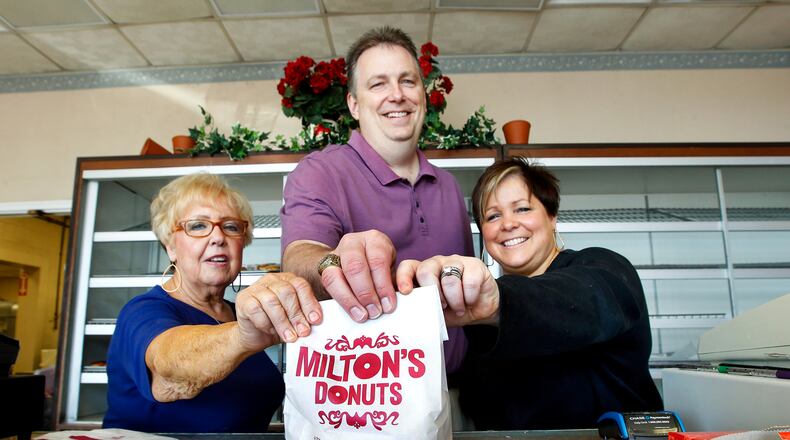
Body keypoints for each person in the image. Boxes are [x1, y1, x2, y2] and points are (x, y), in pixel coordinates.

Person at [397, 157, 663, 430]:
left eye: (522, 209)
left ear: (552, 216)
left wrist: (498, 301)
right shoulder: (481, 322)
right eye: (493, 216)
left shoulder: (603, 267)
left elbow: (587, 302)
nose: (508, 224)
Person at [280, 26, 473, 371]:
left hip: (457, 391)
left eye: (408, 81)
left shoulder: (448, 186)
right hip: (368, 398)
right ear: (354, 104)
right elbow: (298, 258)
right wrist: (336, 262)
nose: (396, 95)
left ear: (423, 95)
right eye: (378, 83)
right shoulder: (320, 172)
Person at [103, 173, 322, 432]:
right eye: (197, 226)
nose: (218, 237)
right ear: (170, 246)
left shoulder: (233, 313)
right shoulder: (143, 311)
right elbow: (169, 369)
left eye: (230, 227)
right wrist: (242, 336)